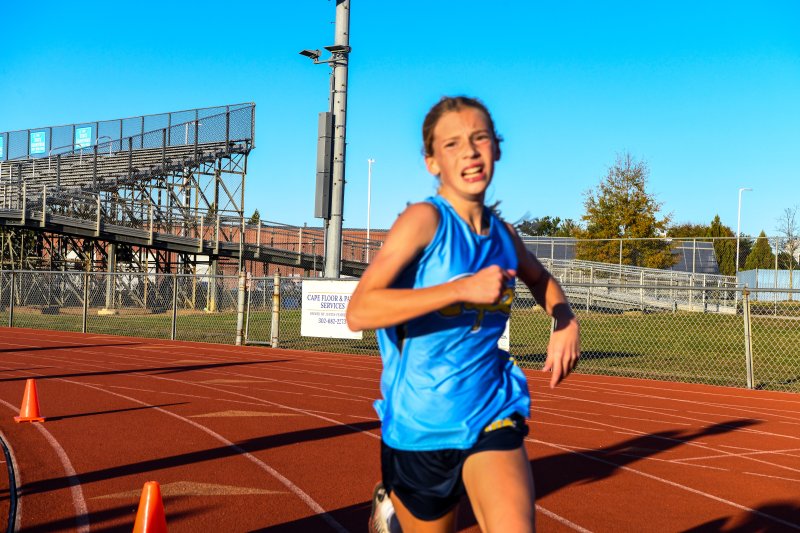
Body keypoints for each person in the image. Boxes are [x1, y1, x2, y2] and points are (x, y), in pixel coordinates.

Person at [346, 96, 580, 533]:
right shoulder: (424, 221)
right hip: (421, 423)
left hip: (492, 407)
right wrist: (458, 288)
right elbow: (359, 311)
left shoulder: (504, 235)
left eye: (480, 138)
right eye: (452, 144)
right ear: (432, 162)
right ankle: (394, 505)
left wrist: (564, 319)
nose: (470, 151)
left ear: (497, 148)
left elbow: (541, 279)